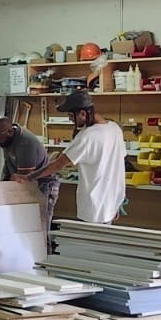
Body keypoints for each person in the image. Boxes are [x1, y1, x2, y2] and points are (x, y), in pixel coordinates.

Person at [16, 90, 125, 224]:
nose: (70, 119)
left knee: (92, 237)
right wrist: (116, 203)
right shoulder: (114, 128)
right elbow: (118, 165)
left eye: (71, 115)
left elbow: (58, 164)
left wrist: (28, 177)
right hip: (111, 204)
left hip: (94, 206)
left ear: (83, 113)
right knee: (104, 236)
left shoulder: (87, 136)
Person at [0, 116, 59, 231]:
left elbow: (22, 179)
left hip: (43, 185)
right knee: (22, 226)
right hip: (28, 184)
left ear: (9, 131)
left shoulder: (26, 143)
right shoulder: (6, 140)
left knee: (39, 228)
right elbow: (8, 167)